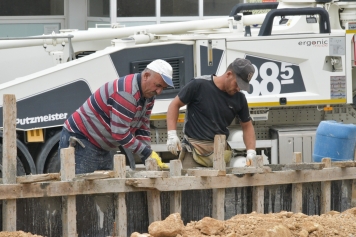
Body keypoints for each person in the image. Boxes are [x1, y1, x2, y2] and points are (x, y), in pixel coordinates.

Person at [58, 59, 172, 174]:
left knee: (103, 189)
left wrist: (147, 157)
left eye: (163, 88)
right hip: (82, 138)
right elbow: (120, 133)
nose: (159, 91)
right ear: (146, 76)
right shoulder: (127, 93)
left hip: (100, 144)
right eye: (158, 85)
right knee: (82, 188)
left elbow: (142, 127)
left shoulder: (149, 95)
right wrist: (146, 153)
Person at [166, 58, 256, 167]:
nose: (238, 89)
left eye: (242, 87)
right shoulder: (199, 85)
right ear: (228, 74)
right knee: (190, 183)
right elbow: (174, 105)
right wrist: (171, 134)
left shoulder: (239, 98)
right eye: (237, 84)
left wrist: (251, 151)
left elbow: (247, 126)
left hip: (220, 152)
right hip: (194, 150)